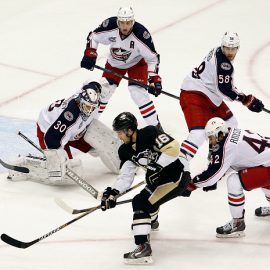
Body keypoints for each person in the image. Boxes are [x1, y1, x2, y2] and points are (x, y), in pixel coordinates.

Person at [100, 112, 191, 264]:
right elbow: (126, 175)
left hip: (177, 173)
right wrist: (114, 192)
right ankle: (150, 222)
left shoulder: (149, 133)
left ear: (130, 130)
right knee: (147, 199)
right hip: (161, 178)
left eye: (120, 133)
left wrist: (156, 167)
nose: (119, 137)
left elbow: (173, 147)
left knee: (140, 202)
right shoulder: (125, 150)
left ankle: (143, 249)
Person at [7, 81, 121, 185]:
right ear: (80, 102)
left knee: (103, 143)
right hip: (49, 131)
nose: (89, 110)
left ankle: (122, 162)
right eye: (87, 107)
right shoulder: (70, 116)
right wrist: (58, 160)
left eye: (92, 107)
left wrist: (96, 85)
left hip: (74, 132)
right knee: (65, 173)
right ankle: (24, 166)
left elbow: (89, 84)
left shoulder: (88, 97)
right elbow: (51, 139)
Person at [179, 31, 264, 160]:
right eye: (227, 48)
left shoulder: (217, 50)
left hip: (209, 95)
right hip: (194, 94)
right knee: (199, 133)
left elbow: (224, 85)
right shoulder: (224, 65)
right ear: (222, 46)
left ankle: (216, 154)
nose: (230, 52)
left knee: (231, 124)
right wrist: (246, 99)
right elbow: (225, 90)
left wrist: (245, 98)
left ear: (238, 48)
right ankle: (177, 167)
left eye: (233, 48)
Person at [80, 6, 163, 129]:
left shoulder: (141, 34)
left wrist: (154, 79)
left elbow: (152, 58)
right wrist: (90, 53)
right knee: (104, 92)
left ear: (133, 22)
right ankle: (89, 126)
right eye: (122, 23)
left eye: (128, 23)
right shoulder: (110, 25)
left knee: (138, 94)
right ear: (118, 21)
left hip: (137, 64)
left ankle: (156, 128)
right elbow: (94, 37)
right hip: (115, 64)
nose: (125, 27)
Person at [189, 117, 270, 238]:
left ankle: (238, 223)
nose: (210, 142)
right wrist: (217, 176)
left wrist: (192, 185)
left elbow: (213, 174)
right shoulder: (232, 132)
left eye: (211, 137)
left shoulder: (227, 145)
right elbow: (235, 163)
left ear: (220, 133)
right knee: (258, 175)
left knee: (234, 182)